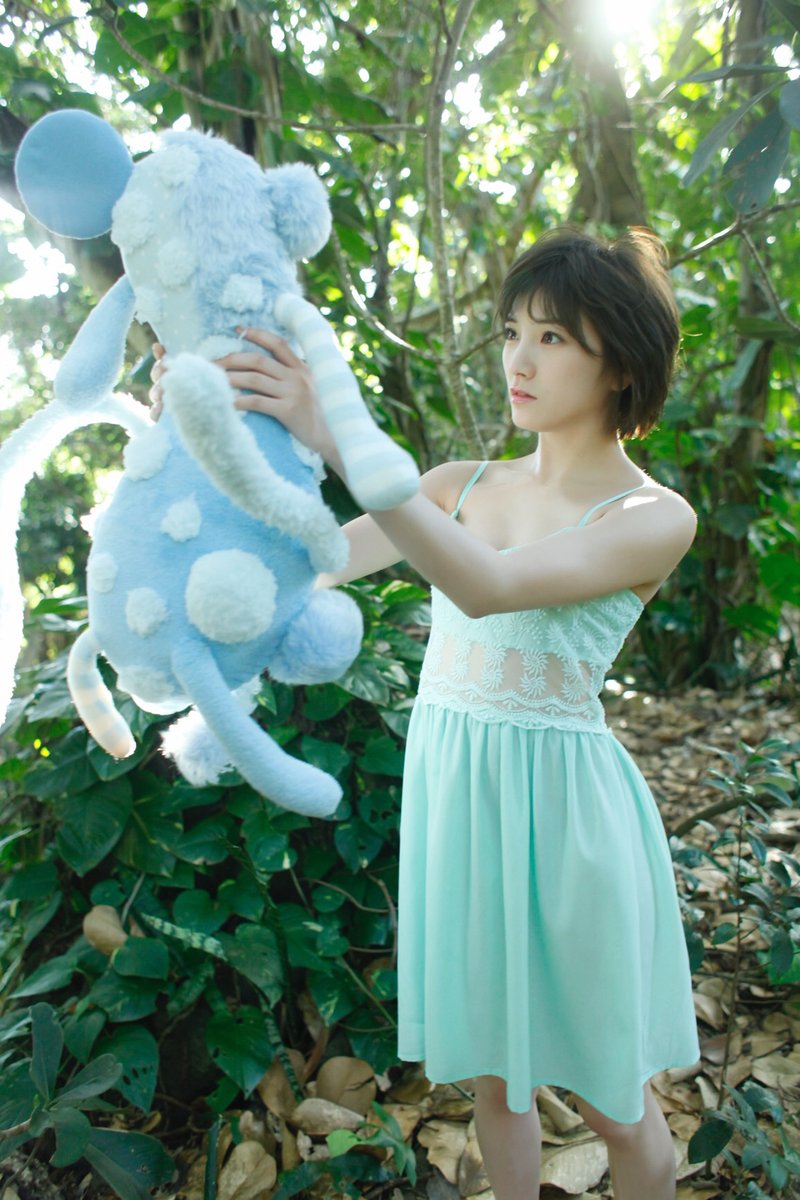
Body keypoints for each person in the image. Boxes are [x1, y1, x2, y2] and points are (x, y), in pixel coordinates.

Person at [151, 226, 700, 1200]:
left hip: (567, 822)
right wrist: (199, 434)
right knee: (494, 1078)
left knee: (616, 1103)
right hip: (459, 802)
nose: (519, 360)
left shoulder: (652, 516)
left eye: (552, 338)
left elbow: (489, 587)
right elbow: (304, 563)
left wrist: (342, 434)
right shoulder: (457, 486)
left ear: (619, 361)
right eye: (511, 332)